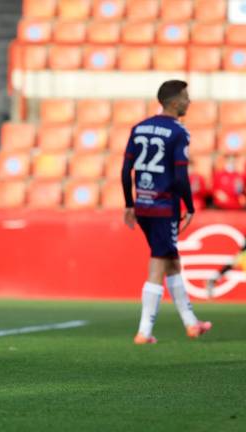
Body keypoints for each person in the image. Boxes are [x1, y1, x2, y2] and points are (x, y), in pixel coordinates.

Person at [122, 80, 212, 345]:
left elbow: (125, 171)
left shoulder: (138, 128)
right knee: (158, 263)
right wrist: (190, 206)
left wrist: (129, 204)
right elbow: (181, 175)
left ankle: (191, 324)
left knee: (172, 261)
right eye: (185, 97)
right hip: (164, 206)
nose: (189, 101)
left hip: (144, 205)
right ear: (174, 102)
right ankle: (144, 332)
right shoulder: (177, 132)